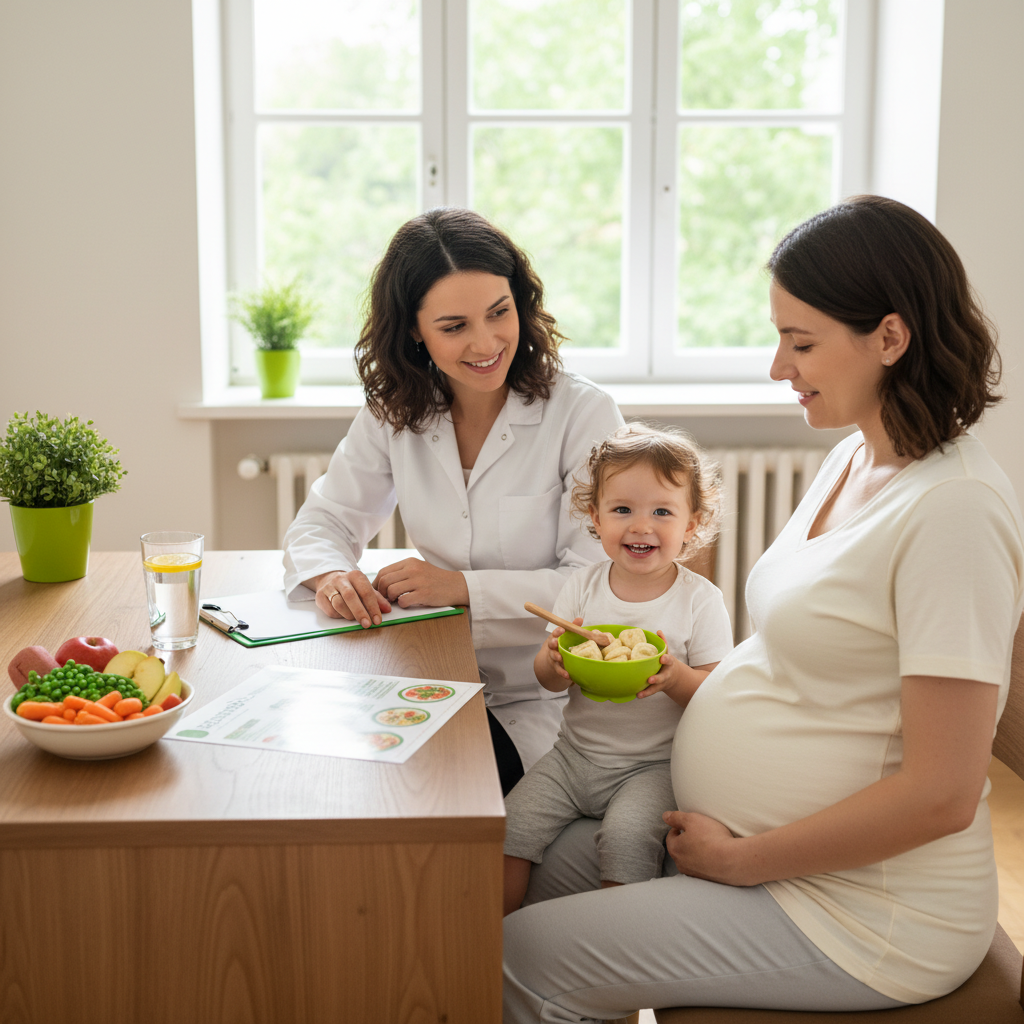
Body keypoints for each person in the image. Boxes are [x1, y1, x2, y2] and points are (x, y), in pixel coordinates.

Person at [502, 194, 1024, 1023]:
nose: (780, 367)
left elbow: (943, 794)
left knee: (522, 958)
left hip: (858, 911)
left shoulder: (953, 511)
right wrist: (681, 682)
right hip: (747, 843)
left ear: (890, 338)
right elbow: (795, 658)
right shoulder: (857, 456)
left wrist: (746, 860)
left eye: (802, 341)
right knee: (472, 878)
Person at [282, 208, 623, 793]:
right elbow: (325, 521)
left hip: (542, 696)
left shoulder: (582, 414)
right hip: (428, 672)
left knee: (420, 789)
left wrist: (463, 588)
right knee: (319, 770)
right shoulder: (396, 411)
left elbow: (600, 585)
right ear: (414, 331)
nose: (486, 343)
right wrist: (333, 574)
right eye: (454, 325)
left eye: (499, 313)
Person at [503, 424, 734, 916]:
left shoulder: (700, 600)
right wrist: (554, 661)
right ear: (596, 517)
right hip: (572, 756)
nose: (640, 526)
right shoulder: (583, 589)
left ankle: (614, 953)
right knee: (509, 827)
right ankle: (494, 940)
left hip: (652, 767)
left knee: (627, 840)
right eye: (622, 510)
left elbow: (718, 697)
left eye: (662, 512)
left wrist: (675, 678)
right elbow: (546, 679)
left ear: (691, 523)